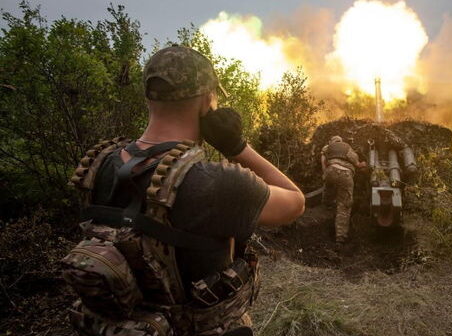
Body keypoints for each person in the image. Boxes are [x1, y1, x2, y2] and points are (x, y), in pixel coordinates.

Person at [63, 45, 305, 336]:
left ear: (149, 98)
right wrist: (237, 147)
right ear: (207, 102)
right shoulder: (217, 183)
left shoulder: (99, 165)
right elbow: (295, 202)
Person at [321, 136, 366, 245]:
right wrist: (361, 164)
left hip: (330, 170)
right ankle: (340, 237)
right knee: (344, 205)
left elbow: (322, 158)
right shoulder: (346, 147)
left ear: (331, 141)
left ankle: (326, 205)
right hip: (345, 175)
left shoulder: (328, 147)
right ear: (341, 141)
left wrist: (325, 172)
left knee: (328, 188)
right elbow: (356, 162)